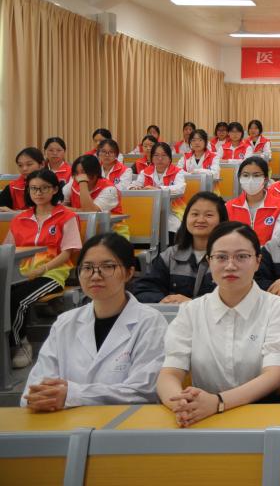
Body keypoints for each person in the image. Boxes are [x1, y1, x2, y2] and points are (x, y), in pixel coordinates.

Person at [157, 222, 280, 427]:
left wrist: (218, 402)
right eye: (221, 257)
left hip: (261, 414)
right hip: (201, 416)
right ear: (209, 261)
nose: (230, 265)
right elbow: (169, 373)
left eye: (242, 256)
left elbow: (274, 376)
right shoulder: (191, 311)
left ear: (258, 261)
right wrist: (183, 406)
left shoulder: (276, 308)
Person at [22, 233, 167, 409]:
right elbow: (35, 387)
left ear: (129, 273)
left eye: (108, 266)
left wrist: (72, 395)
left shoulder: (150, 322)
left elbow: (143, 391)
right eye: (87, 267)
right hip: (65, 421)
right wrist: (40, 397)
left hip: (124, 421)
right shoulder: (65, 323)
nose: (95, 276)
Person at [3, 169, 82, 368]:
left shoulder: (66, 216)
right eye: (33, 189)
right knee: (4, 295)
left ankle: (20, 344)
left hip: (52, 274)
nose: (38, 193)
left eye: (44, 188)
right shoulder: (20, 218)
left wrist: (43, 269)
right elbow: (8, 250)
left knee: (18, 300)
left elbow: (67, 253)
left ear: (54, 189)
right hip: (21, 273)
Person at [133, 192, 231, 304]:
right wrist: (163, 300)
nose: (200, 220)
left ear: (221, 220)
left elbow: (234, 296)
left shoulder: (231, 258)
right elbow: (144, 289)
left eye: (209, 215)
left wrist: (192, 303)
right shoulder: (170, 255)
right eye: (195, 214)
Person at [225, 156, 280, 244]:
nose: (250, 180)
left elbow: (278, 242)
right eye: (245, 175)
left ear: (266, 179)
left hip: (268, 252)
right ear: (239, 178)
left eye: (256, 175)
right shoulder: (229, 207)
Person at [131, 142, 187, 234]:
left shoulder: (178, 172)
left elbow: (180, 188)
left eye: (163, 155)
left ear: (169, 158)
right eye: (156, 155)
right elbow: (135, 184)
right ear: (152, 158)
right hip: (148, 210)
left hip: (173, 211)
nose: (160, 159)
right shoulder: (145, 172)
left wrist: (158, 189)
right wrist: (134, 188)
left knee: (172, 227)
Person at [0, 147, 44, 211]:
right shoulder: (12, 188)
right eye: (20, 165)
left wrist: (13, 212)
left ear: (42, 164)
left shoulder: (51, 185)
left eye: (29, 164)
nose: (24, 169)